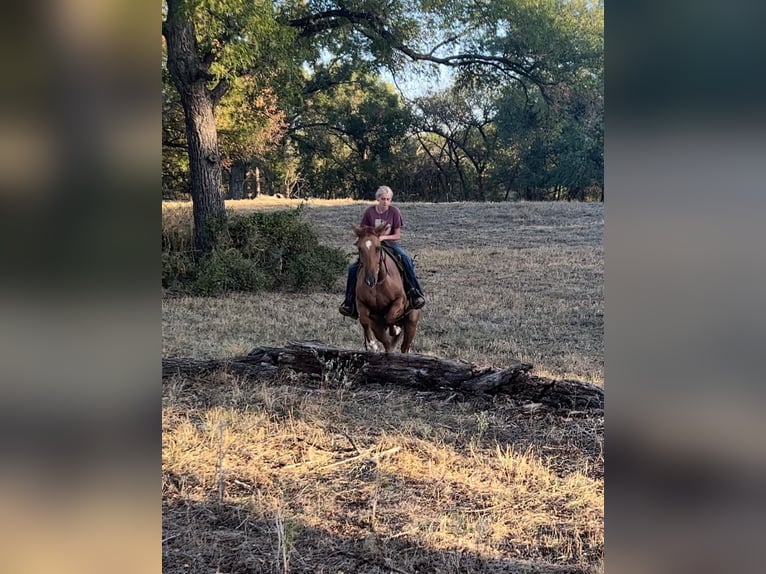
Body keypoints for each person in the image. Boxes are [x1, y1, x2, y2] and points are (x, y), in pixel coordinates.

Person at [339, 185, 426, 318]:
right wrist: (372, 240)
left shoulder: (394, 212)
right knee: (352, 268)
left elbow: (397, 235)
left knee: (406, 259)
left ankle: (415, 293)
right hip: (372, 247)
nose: (385, 202)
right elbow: (364, 232)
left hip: (389, 244)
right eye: (383, 199)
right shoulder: (369, 212)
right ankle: (349, 303)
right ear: (377, 199)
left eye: (388, 199)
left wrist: (383, 237)